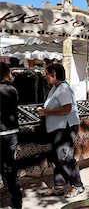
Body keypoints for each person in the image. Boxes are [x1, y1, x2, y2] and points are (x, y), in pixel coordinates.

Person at [37, 63, 84, 198]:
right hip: (57, 129)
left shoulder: (63, 89)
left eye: (47, 74)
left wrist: (46, 111)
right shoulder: (55, 88)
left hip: (65, 128)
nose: (45, 77)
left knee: (65, 157)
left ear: (54, 75)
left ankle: (78, 185)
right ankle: (59, 186)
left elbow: (67, 109)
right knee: (58, 158)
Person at [0, 63, 23, 209]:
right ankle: (17, 200)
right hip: (11, 132)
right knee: (10, 167)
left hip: (2, 133)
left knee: (7, 167)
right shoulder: (12, 89)